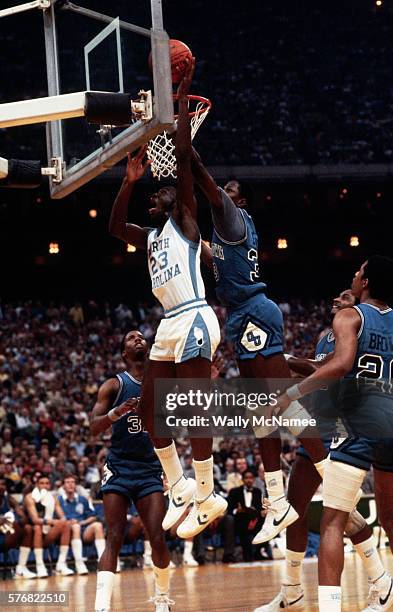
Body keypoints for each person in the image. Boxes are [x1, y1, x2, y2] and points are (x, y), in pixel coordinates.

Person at [109, 59, 225, 540]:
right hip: (169, 324)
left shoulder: (185, 222)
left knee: (193, 407)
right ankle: (178, 486)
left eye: (162, 191)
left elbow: (179, 153)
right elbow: (115, 228)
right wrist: (128, 180)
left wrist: (182, 94)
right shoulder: (150, 234)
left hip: (196, 316)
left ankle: (207, 492)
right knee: (151, 413)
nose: (158, 193)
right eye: (153, 193)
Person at [189, 150, 328, 542]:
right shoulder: (223, 239)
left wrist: (188, 150)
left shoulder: (233, 217)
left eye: (230, 190)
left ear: (241, 200)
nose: (223, 194)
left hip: (254, 311)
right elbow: (206, 253)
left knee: (282, 400)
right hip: (239, 316)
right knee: (261, 414)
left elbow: (203, 178)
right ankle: (278, 499)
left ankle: (330, 470)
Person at [255, 288, 393, 611]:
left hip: (343, 429)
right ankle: (291, 589)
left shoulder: (358, 329)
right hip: (319, 424)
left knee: (342, 516)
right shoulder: (325, 336)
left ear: (358, 307)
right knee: (295, 508)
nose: (336, 298)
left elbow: (334, 370)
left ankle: (382, 581)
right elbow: (318, 370)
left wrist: (290, 361)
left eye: (345, 296)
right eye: (335, 297)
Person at [90, 329, 173, 612]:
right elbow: (93, 427)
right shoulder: (114, 385)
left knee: (157, 536)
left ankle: (162, 600)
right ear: (124, 353)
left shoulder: (160, 381)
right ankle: (102, 606)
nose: (138, 338)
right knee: (114, 535)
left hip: (150, 469)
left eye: (141, 336)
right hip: (119, 466)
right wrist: (117, 412)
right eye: (130, 338)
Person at [24, 473, 73, 577]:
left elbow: (62, 516)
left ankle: (61, 565)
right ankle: (40, 565)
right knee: (37, 527)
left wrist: (65, 521)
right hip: (30, 535)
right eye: (42, 483)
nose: (45, 486)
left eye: (47, 483)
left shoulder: (53, 498)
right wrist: (53, 522)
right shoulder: (29, 497)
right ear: (37, 484)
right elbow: (35, 520)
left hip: (47, 533)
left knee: (66, 524)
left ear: (50, 485)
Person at [58, 474, 105, 575]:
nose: (70, 485)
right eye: (67, 482)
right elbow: (58, 519)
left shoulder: (82, 499)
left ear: (75, 485)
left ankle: (103, 562)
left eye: (72, 482)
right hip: (67, 531)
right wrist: (70, 522)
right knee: (76, 527)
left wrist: (82, 522)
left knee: (98, 525)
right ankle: (79, 564)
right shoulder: (59, 500)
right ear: (63, 486)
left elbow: (93, 516)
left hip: (83, 529)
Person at [0, 476, 35, 579]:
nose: (1, 487)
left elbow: (23, 517)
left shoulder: (9, 499)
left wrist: (25, 498)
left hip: (8, 535)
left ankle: (21, 569)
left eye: (3, 484)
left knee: (28, 528)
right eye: (0, 484)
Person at [226, 470, 263, 562]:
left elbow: (259, 509)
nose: (249, 480)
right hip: (240, 520)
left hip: (254, 520)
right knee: (245, 529)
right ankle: (249, 556)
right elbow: (230, 510)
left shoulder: (258, 492)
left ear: (254, 479)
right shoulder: (234, 492)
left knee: (263, 522)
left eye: (251, 478)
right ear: (242, 480)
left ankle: (259, 552)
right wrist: (237, 510)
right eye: (246, 478)